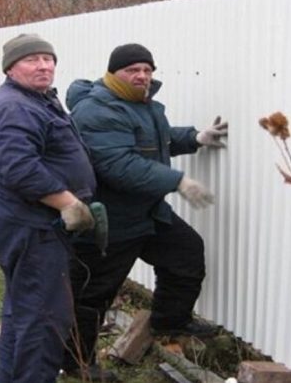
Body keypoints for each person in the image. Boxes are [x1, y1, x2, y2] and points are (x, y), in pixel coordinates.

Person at [62, 43, 228, 378]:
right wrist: (178, 181)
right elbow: (119, 164)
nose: (142, 75)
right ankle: (77, 363)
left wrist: (195, 137)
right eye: (133, 70)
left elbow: (156, 139)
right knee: (92, 296)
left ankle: (169, 321)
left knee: (186, 254)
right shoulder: (96, 110)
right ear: (113, 73)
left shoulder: (139, 103)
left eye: (147, 70)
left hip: (145, 213)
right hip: (107, 221)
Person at [0, 33, 97, 383]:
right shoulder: (15, 106)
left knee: (22, 315)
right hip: (30, 228)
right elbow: (20, 169)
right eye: (33, 60)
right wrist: (69, 203)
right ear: (11, 68)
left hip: (30, 225)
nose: (44, 66)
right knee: (44, 320)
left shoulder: (37, 100)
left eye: (49, 59)